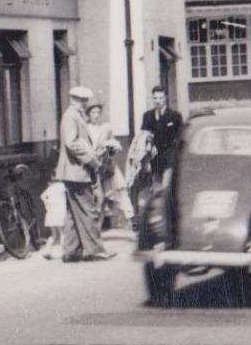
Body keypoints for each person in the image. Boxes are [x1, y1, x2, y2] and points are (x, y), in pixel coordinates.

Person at [51, 86, 113, 262]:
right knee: (88, 210)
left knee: (73, 211)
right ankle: (95, 250)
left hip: (72, 172)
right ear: (73, 100)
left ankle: (71, 251)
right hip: (77, 171)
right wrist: (92, 159)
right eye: (81, 101)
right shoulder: (71, 117)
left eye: (85, 101)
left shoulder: (73, 116)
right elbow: (72, 143)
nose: (84, 104)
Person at [85, 100, 133, 233]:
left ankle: (99, 227)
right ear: (88, 114)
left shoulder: (106, 127)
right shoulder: (85, 128)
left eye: (98, 112)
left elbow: (114, 145)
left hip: (105, 165)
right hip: (90, 166)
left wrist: (111, 148)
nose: (96, 115)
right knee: (94, 198)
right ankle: (93, 228)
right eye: (93, 112)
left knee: (109, 194)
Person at [137, 85, 184, 213]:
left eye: (160, 98)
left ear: (165, 98)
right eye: (155, 98)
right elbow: (144, 136)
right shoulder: (147, 116)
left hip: (169, 159)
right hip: (154, 159)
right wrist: (149, 146)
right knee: (156, 188)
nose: (158, 100)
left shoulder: (175, 116)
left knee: (166, 187)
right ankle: (158, 214)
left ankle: (168, 215)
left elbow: (178, 139)